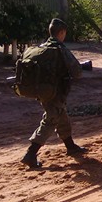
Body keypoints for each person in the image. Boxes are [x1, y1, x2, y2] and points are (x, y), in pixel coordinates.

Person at [20, 18, 85, 168]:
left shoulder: (39, 48)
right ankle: (30, 154)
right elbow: (77, 72)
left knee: (60, 115)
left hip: (41, 90)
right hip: (54, 91)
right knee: (51, 119)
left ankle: (70, 146)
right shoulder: (59, 49)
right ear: (61, 33)